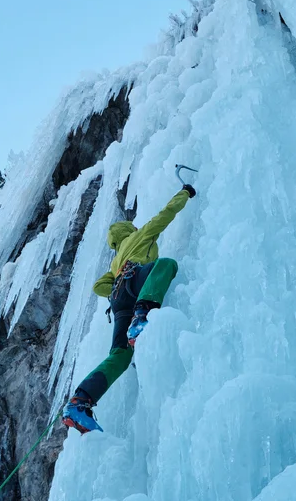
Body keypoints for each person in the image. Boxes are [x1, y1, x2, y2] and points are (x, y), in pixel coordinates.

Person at [61, 183, 196, 434]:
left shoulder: (115, 260)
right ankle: (143, 314)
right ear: (129, 229)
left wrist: (113, 284)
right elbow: (165, 215)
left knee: (120, 356)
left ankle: (80, 401)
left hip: (118, 300)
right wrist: (184, 193)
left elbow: (99, 287)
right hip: (136, 285)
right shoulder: (140, 235)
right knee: (165, 264)